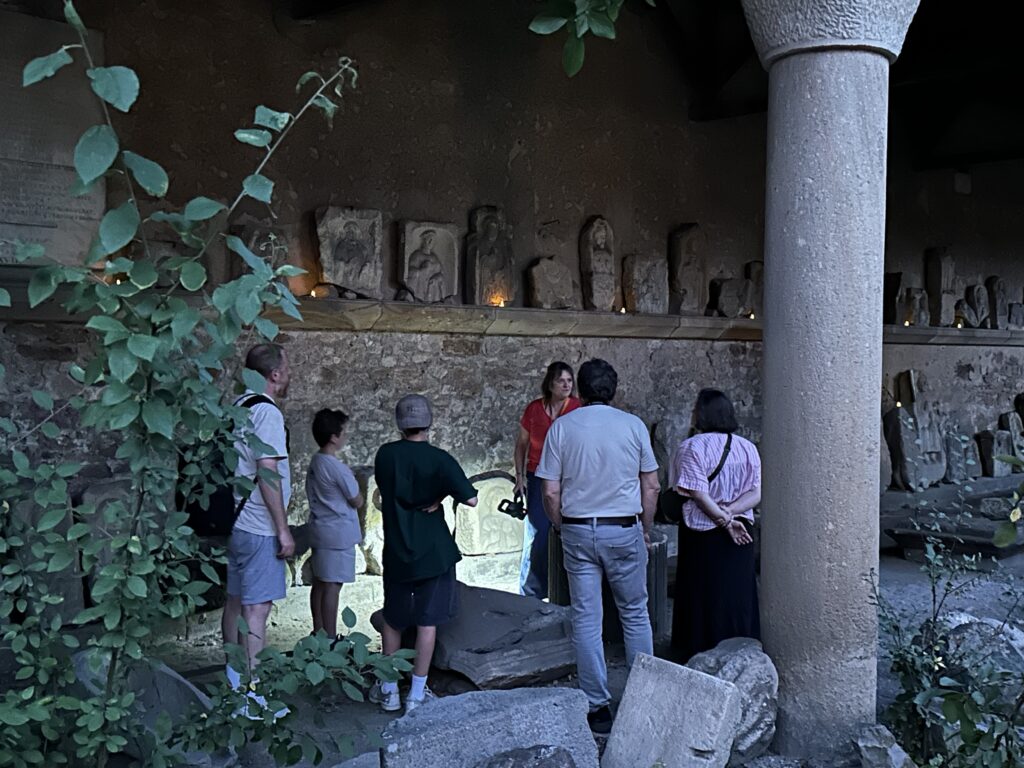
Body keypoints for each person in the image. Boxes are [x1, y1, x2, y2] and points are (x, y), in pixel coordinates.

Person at [535, 358, 659, 735]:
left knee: (586, 618)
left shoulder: (562, 428)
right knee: (635, 613)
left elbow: (550, 490)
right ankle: (644, 700)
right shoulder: (633, 426)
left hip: (577, 530)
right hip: (623, 528)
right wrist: (645, 529)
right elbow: (651, 486)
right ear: (614, 389)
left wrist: (560, 525)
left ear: (581, 391)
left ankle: (596, 707)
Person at [368, 394, 478, 714]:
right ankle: (416, 694)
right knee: (427, 623)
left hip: (398, 549)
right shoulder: (440, 459)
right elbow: (470, 499)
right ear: (429, 423)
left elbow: (387, 489)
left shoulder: (386, 455)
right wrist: (441, 492)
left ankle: (388, 689)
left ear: (400, 425)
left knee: (392, 619)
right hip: (434, 552)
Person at [669, 388, 761, 662]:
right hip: (740, 530)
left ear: (702, 414)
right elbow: (756, 493)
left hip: (702, 533)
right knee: (737, 594)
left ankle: (698, 653)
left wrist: (724, 518)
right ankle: (742, 652)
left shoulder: (692, 448)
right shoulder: (748, 447)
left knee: (700, 595)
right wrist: (731, 515)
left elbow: (697, 493)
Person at [222, 343, 294, 686]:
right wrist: (283, 529)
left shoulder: (238, 407)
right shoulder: (267, 412)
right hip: (259, 524)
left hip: (235, 520)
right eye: (287, 368)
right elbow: (267, 471)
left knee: (235, 602)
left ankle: (234, 683)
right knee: (256, 609)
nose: (289, 374)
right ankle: (253, 695)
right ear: (275, 375)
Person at [513, 362, 581, 598]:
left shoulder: (576, 408)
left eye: (569, 381)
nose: (566, 385)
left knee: (566, 530)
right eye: (561, 380)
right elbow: (522, 444)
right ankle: (531, 591)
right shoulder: (534, 409)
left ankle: (562, 588)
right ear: (550, 383)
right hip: (537, 474)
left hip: (566, 476)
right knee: (537, 531)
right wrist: (519, 476)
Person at [306, 408, 364, 639]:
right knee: (332, 586)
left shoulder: (315, 461)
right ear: (334, 437)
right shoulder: (335, 466)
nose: (345, 436)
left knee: (320, 583)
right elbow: (356, 499)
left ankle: (319, 631)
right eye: (343, 432)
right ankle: (330, 637)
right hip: (338, 533)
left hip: (320, 529)